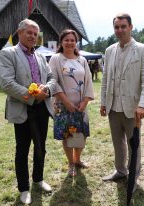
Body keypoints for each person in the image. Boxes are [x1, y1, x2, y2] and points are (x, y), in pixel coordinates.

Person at [0, 19, 56, 204]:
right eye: (29, 32)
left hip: (42, 109)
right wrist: (32, 95)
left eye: (35, 33)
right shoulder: (8, 53)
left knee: (41, 148)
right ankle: (24, 188)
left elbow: (51, 76)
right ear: (19, 32)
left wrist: (46, 89)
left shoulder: (39, 55)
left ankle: (38, 179)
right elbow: (6, 83)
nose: (32, 36)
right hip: (23, 108)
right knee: (22, 150)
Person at [100, 13, 144, 190]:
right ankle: (120, 170)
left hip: (133, 108)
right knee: (118, 143)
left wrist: (143, 104)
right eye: (117, 27)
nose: (120, 30)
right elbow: (105, 79)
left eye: (123, 26)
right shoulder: (109, 51)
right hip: (113, 107)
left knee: (134, 145)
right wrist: (103, 102)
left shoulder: (143, 49)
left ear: (131, 27)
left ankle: (134, 176)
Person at [49, 29, 94, 177]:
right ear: (61, 42)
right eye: (66, 40)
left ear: (76, 42)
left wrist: (86, 101)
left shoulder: (82, 60)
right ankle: (71, 164)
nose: (69, 42)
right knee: (68, 135)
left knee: (81, 134)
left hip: (81, 106)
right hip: (63, 106)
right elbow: (53, 82)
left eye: (72, 40)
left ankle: (78, 159)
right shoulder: (56, 59)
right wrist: (66, 102)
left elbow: (88, 82)